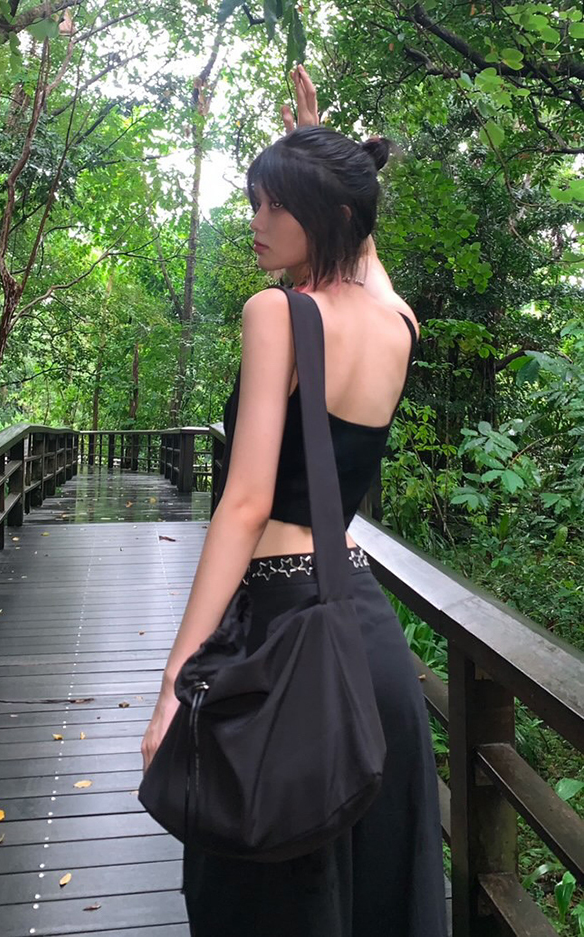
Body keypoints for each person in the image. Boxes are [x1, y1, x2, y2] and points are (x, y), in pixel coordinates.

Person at [140, 64, 448, 937]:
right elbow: (366, 254)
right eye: (256, 201)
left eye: (276, 205)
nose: (257, 221)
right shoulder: (399, 323)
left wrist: (174, 682)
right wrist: (324, 151)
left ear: (326, 214)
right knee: (373, 899)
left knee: (264, 897)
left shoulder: (279, 313)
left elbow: (244, 506)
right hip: (367, 647)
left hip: (280, 634)